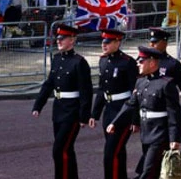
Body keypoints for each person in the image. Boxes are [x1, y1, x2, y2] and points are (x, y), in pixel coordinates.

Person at [31, 25, 93, 179]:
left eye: (62, 38)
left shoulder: (79, 62)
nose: (58, 41)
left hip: (72, 112)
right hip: (58, 110)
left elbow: (86, 91)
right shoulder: (57, 59)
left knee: (59, 150)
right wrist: (38, 105)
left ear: (72, 40)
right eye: (57, 38)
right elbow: (49, 84)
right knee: (67, 149)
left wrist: (84, 116)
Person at [112, 46, 181, 179]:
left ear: (152, 62)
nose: (138, 64)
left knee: (148, 171)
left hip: (160, 134)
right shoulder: (140, 82)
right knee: (154, 171)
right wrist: (115, 122)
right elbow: (131, 104)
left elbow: (174, 113)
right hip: (146, 132)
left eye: (142, 61)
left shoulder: (166, 84)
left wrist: (175, 138)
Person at [91, 29, 138, 179]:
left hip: (123, 112)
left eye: (108, 42)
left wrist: (135, 119)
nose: (103, 45)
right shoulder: (103, 60)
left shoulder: (128, 62)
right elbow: (101, 89)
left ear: (117, 42)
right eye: (103, 42)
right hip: (109, 111)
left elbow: (135, 92)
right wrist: (95, 114)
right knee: (118, 151)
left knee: (111, 153)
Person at [148, 27, 181, 97]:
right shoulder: (145, 61)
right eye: (151, 42)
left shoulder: (173, 64)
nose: (151, 45)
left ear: (164, 43)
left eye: (155, 42)